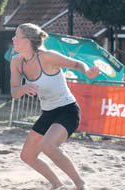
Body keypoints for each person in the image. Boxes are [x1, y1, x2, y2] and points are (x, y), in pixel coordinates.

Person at [10, 23, 99, 190]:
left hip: (68, 110)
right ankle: (57, 184)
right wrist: (23, 88)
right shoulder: (16, 62)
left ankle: (80, 184)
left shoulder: (47, 56)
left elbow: (77, 64)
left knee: (48, 146)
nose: (13, 39)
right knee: (27, 156)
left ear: (28, 40)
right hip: (48, 113)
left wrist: (87, 72)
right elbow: (14, 92)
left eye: (17, 36)